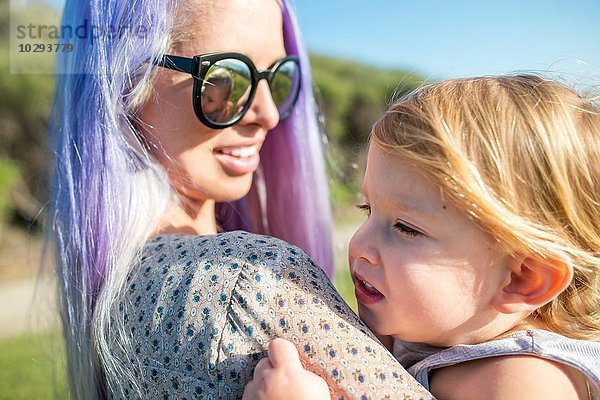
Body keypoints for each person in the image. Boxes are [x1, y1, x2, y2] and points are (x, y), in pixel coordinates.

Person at [47, 0, 350, 398]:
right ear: (125, 82)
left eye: (277, 78)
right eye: (224, 79)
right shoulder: (254, 278)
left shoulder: (115, 294)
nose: (269, 114)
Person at [243, 75, 600, 399]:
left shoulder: (525, 380)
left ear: (522, 279)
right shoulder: (426, 328)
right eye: (367, 209)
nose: (360, 247)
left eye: (406, 228)